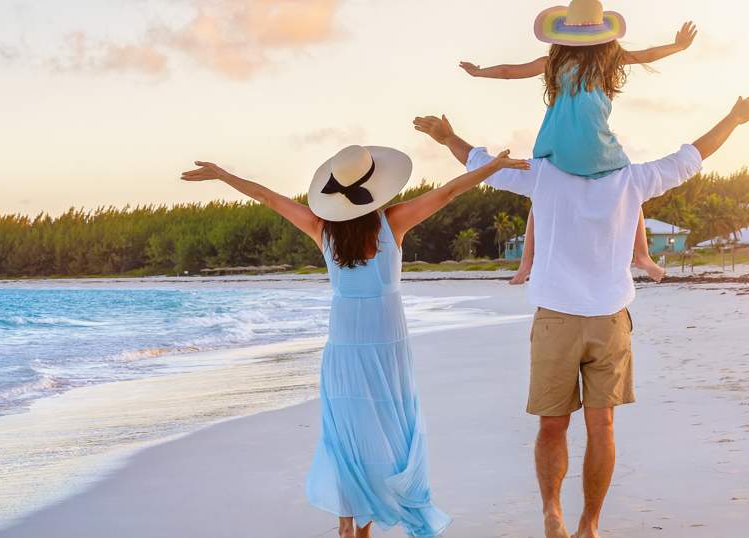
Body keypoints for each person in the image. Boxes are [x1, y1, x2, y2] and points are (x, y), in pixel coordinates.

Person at [413, 93, 749, 538]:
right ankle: (588, 524)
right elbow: (691, 157)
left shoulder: (543, 175)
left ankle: (555, 514)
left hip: (557, 319)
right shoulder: (631, 179)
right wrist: (733, 119)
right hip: (608, 320)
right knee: (600, 425)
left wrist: (448, 138)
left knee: (552, 424)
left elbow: (482, 165)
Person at [181, 141, 529, 537]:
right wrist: (494, 166)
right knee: (389, 432)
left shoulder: (320, 228)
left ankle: (349, 524)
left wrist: (224, 175)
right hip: (387, 342)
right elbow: (450, 191)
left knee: (346, 433)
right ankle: (367, 520)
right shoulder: (393, 222)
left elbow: (268, 198)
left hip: (345, 343)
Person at [457, 0, 698, 284]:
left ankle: (526, 264)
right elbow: (648, 55)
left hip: (556, 148)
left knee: (540, 194)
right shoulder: (607, 61)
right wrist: (678, 46)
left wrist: (479, 72)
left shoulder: (554, 63)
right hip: (597, 148)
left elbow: (510, 72)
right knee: (630, 190)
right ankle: (643, 255)